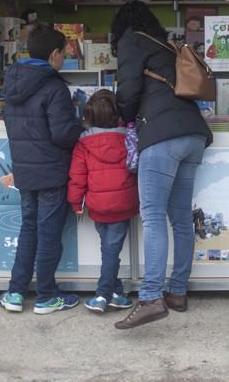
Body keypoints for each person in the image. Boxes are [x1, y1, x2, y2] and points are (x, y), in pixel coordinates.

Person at [111, 0, 212, 329]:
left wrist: (123, 116)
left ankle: (152, 296)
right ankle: (177, 292)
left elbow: (127, 91)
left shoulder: (131, 41)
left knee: (153, 218)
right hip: (193, 134)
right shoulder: (166, 45)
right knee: (181, 219)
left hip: (161, 136)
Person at [0, 26, 83, 314]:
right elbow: (62, 134)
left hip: (24, 171)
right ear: (55, 53)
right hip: (51, 173)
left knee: (28, 230)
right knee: (48, 234)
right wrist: (79, 129)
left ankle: (15, 292)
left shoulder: (12, 83)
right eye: (63, 53)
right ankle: (46, 295)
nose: (63, 59)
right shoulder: (53, 86)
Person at [67, 90, 138, 314]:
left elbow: (77, 177)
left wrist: (76, 203)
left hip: (97, 206)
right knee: (110, 249)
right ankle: (114, 293)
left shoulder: (83, 143)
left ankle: (102, 294)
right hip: (123, 203)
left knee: (108, 249)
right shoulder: (128, 138)